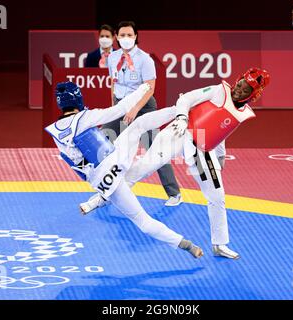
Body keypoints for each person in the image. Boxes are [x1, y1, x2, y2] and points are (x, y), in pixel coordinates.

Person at [79, 67, 271, 259]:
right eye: (239, 85)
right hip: (179, 132)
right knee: (142, 169)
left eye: (245, 90)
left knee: (217, 195)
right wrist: (181, 117)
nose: (239, 90)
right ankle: (101, 198)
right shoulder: (218, 90)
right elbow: (185, 99)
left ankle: (219, 244)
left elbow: (222, 130)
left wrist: (220, 156)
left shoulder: (242, 113)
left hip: (201, 149)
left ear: (253, 95)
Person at [44, 81, 203, 259]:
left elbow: (76, 163)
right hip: (115, 158)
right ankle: (179, 110)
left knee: (142, 220)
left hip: (103, 181)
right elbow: (121, 109)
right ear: (78, 98)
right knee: (139, 125)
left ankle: (186, 245)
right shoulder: (84, 117)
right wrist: (143, 89)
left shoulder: (55, 133)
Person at [99, 20, 182, 207]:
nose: (126, 38)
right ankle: (108, 190)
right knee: (104, 140)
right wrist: (114, 106)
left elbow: (150, 89)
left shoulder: (145, 59)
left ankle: (174, 193)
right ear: (116, 38)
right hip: (121, 105)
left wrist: (135, 109)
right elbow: (114, 83)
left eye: (129, 35)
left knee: (155, 149)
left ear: (136, 37)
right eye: (122, 35)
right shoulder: (112, 58)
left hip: (143, 107)